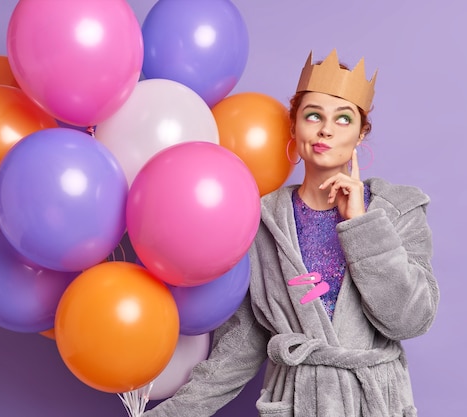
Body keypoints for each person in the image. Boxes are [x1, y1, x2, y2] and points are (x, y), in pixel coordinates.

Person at [144, 49, 439, 417]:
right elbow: (243, 345)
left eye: (343, 119)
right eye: (313, 115)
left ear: (361, 133)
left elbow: (410, 319)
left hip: (375, 404)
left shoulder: (398, 210)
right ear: (294, 125)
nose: (326, 130)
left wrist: (362, 225)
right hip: (297, 403)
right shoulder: (261, 219)